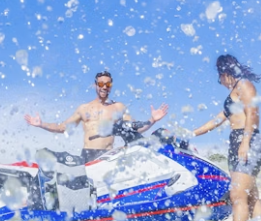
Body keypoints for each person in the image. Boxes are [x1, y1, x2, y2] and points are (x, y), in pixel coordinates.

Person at [24, 70, 169, 163]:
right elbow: (62, 128)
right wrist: (41, 124)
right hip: (88, 154)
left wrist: (152, 120)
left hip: (108, 155)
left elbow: (133, 129)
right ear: (95, 85)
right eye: (101, 83)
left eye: (108, 84)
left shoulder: (119, 107)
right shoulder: (84, 108)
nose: (104, 86)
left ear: (111, 86)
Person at [193, 54, 261, 221]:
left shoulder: (244, 85)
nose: (222, 83)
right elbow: (216, 121)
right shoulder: (233, 94)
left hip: (248, 140)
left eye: (220, 79)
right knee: (250, 197)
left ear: (225, 73)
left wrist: (245, 142)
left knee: (237, 195)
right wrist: (190, 133)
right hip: (237, 141)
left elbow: (252, 113)